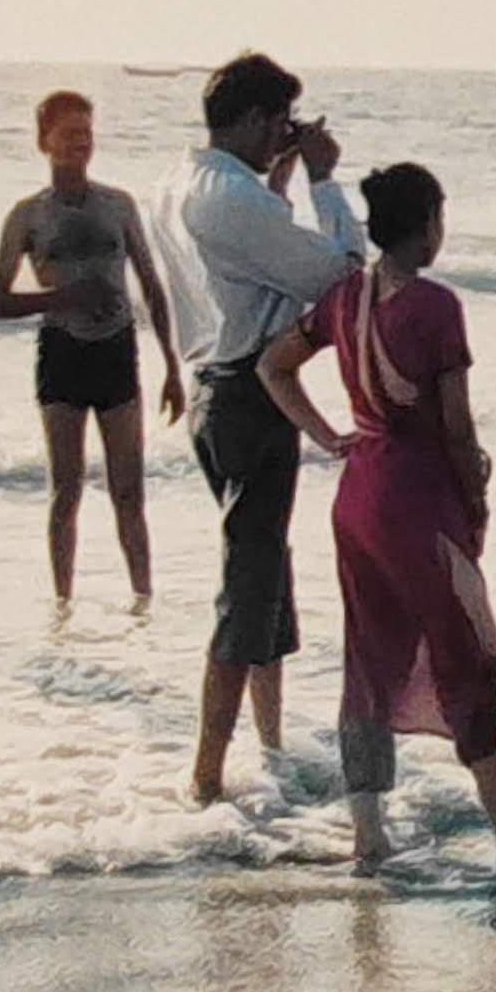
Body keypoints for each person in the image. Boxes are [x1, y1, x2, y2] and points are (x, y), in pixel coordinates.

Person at [257, 161, 496, 879]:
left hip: (358, 495)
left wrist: (329, 438)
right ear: (426, 225)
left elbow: (273, 366)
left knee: (369, 658)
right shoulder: (434, 307)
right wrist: (476, 493)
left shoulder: (342, 298)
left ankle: (369, 839)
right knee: (471, 658)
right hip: (420, 496)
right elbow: (454, 424)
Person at [148, 52, 369, 802]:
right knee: (248, 581)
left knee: (267, 566)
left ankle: (271, 748)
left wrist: (279, 176)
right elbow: (339, 276)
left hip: (214, 384)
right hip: (248, 394)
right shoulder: (233, 202)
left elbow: (246, 262)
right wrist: (325, 180)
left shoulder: (185, 182)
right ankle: (206, 776)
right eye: (277, 122)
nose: (285, 134)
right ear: (249, 119)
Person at [0, 92, 182, 613]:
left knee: (128, 490)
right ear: (43, 140)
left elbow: (150, 284)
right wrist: (62, 297)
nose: (80, 143)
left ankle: (143, 600)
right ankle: (63, 605)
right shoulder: (28, 216)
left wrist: (171, 367)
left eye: (87, 133)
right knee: (65, 489)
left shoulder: (117, 205)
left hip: (116, 348)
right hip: (62, 350)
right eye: (69, 133)